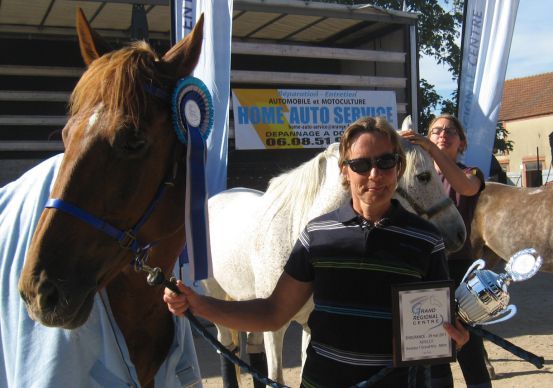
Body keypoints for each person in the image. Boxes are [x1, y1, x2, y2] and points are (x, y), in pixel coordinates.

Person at [165, 116, 469, 387]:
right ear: (345, 172)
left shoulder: (426, 241)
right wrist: (199, 304)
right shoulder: (317, 235)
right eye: (361, 164)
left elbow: (433, 329)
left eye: (385, 163)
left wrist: (455, 333)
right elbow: (274, 313)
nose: (374, 174)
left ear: (399, 168)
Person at [401, 114, 491, 388]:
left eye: (451, 131)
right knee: (433, 344)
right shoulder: (415, 176)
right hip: (426, 268)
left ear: (461, 142)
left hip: (461, 269)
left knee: (470, 345)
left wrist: (431, 151)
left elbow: (466, 188)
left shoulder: (470, 173)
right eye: (436, 130)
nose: (443, 134)